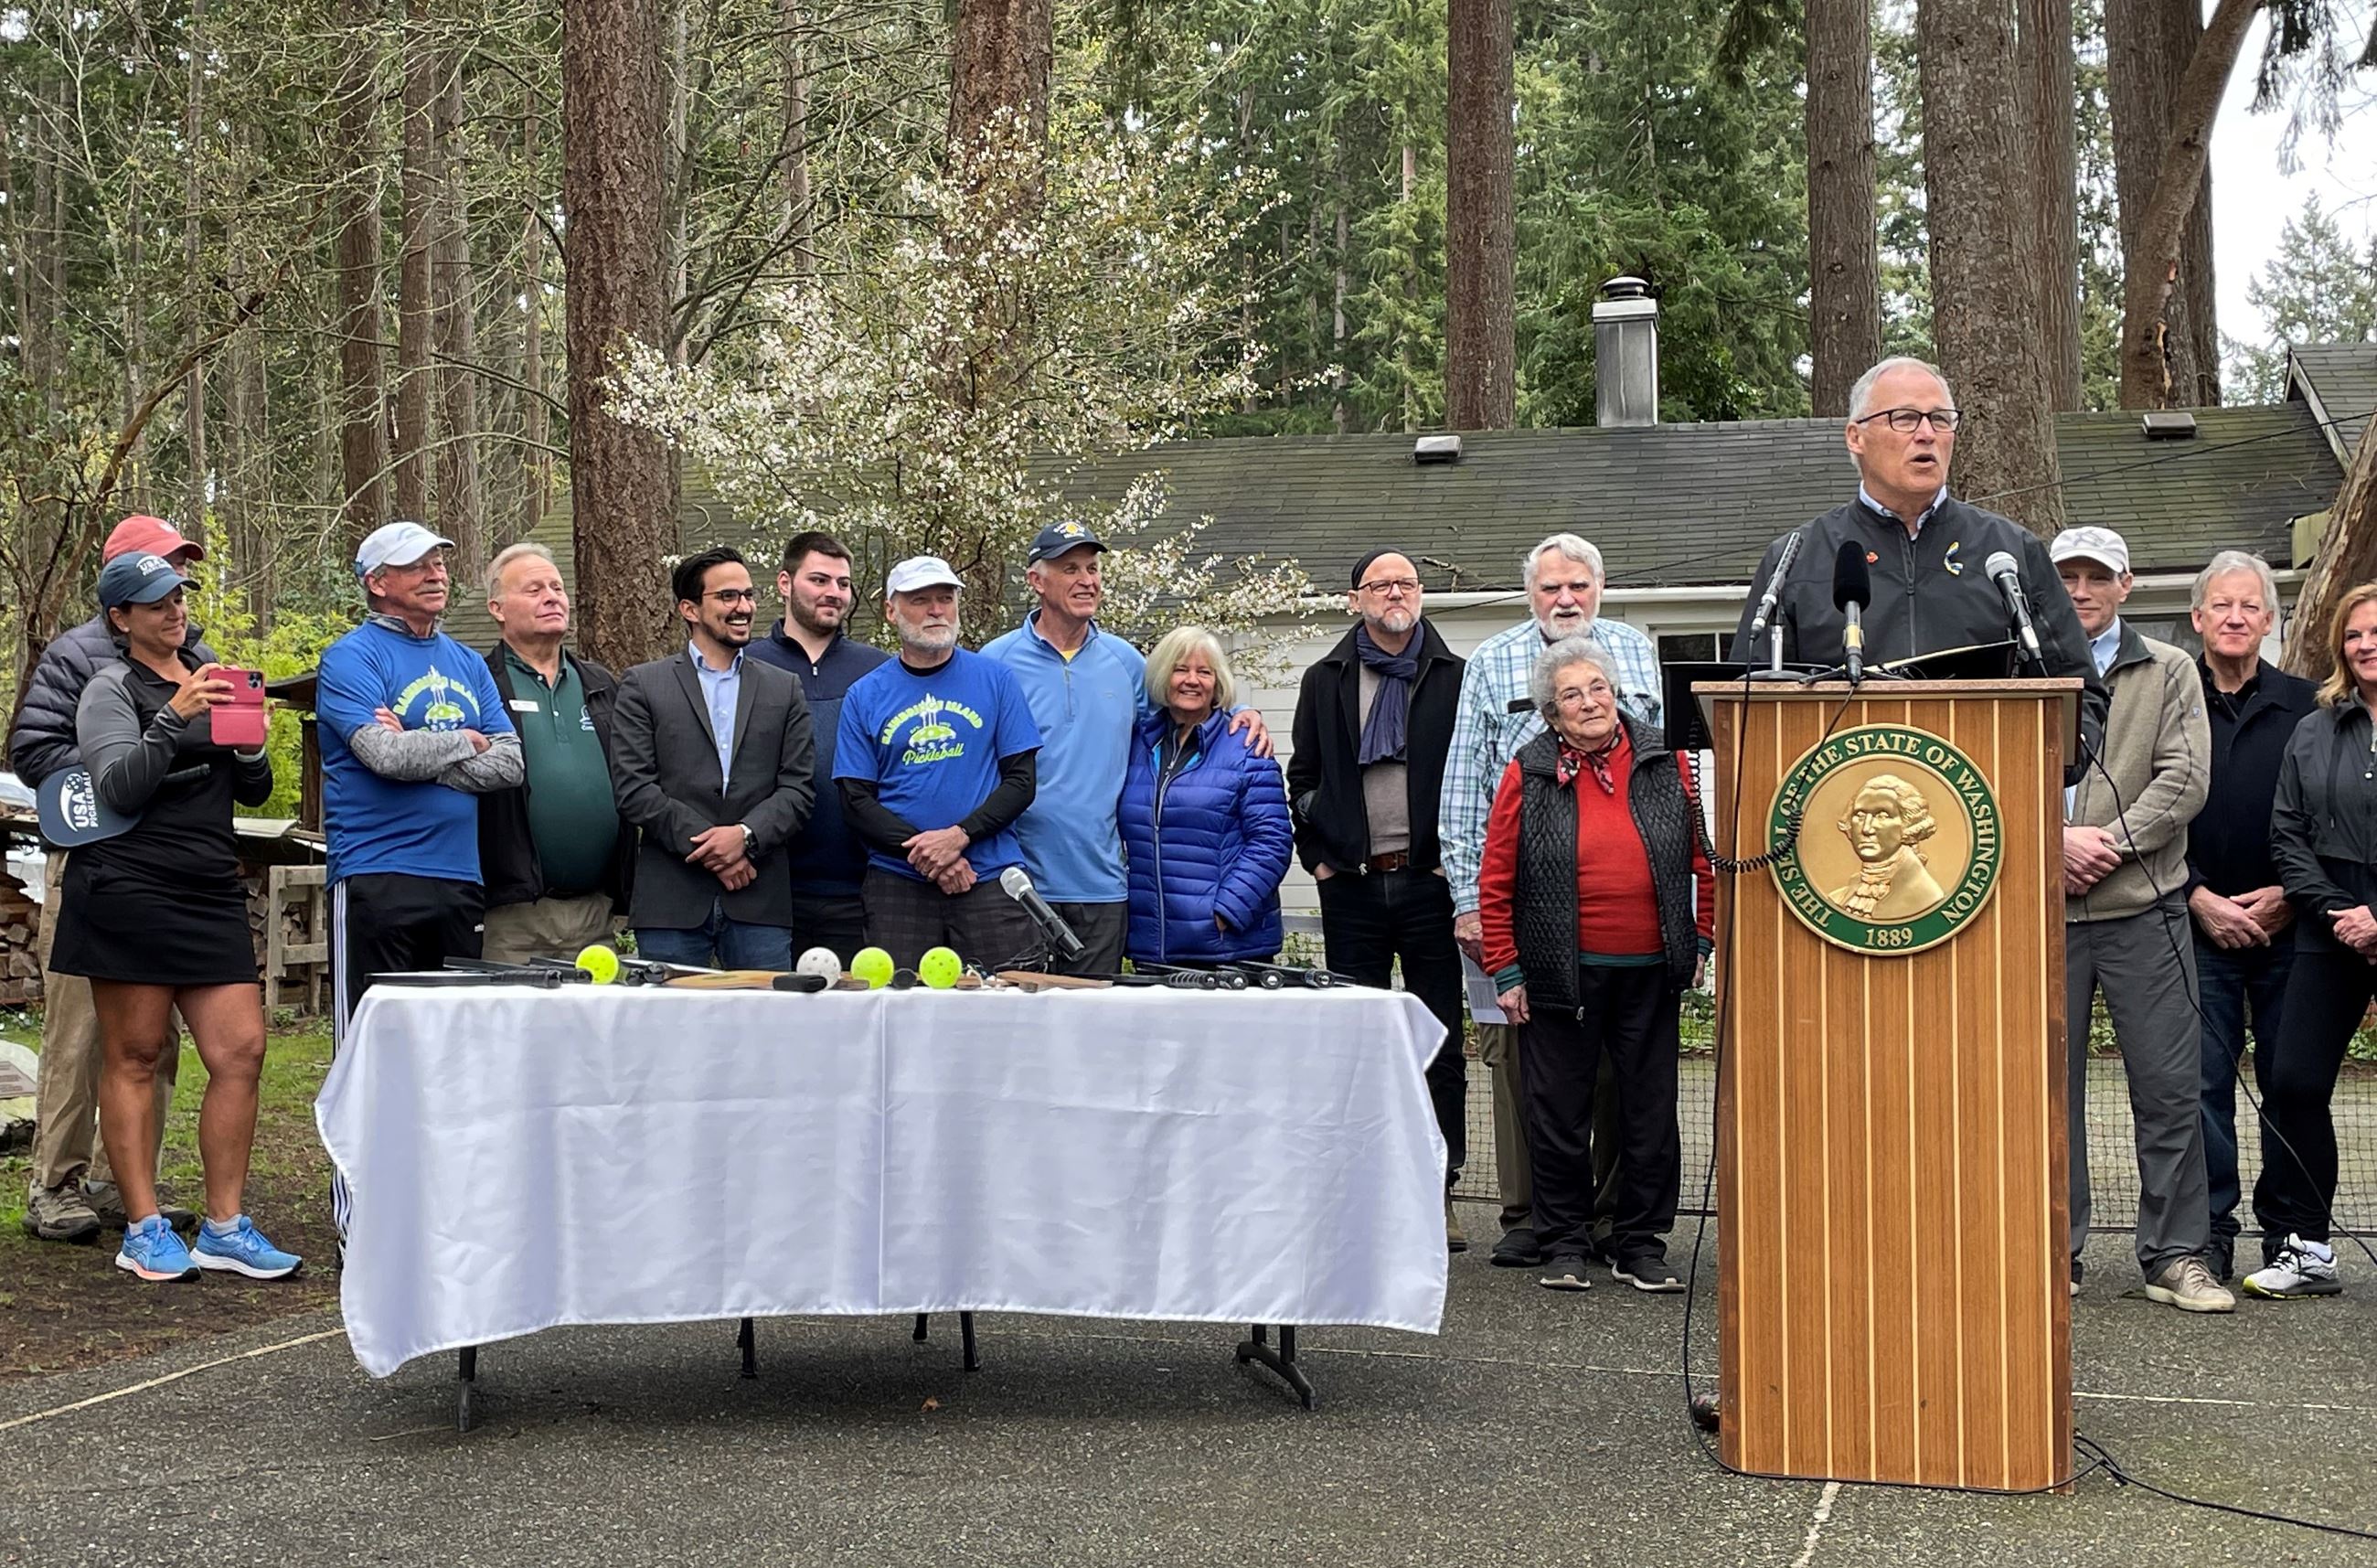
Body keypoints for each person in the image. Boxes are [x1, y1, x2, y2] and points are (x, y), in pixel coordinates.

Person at [48, 549, 299, 1283]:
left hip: (208, 884)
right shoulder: (109, 688)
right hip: (129, 885)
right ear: (121, 618)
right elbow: (120, 786)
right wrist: (176, 716)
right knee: (133, 1054)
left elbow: (252, 788)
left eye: (180, 597)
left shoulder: (209, 673)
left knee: (242, 1050)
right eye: (156, 602)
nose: (175, 610)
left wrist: (248, 737)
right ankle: (144, 1227)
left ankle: (224, 1225)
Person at [1439, 532, 1660, 1268]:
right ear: (1530, 593)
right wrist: (1470, 901)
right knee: (1525, 1062)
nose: (1565, 599)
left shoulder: (1636, 651)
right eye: (1549, 587)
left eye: (1578, 586)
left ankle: (1608, 1221)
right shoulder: (1489, 661)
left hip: (1622, 918)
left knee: (1618, 1073)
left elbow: (1667, 775)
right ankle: (1532, 1215)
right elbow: (1466, 785)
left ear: (1598, 588)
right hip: (1520, 902)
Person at [1729, 355, 2108, 773]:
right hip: (1840, 813)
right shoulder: (1799, 556)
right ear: (1856, 437)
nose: (1927, 434)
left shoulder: (2009, 552)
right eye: (1905, 418)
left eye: (1941, 419)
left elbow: (2080, 693)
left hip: (1989, 811)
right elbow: (1744, 704)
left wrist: (2040, 772)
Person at [1476, 636, 1711, 1294]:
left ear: (1617, 693)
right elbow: (1496, 877)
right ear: (1552, 715)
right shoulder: (1529, 769)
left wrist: (1703, 937)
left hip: (1652, 967)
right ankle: (1565, 1244)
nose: (1589, 703)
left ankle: (1641, 1243)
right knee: (1558, 1114)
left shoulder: (1669, 761)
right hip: (1560, 971)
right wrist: (1507, 967)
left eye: (1598, 688)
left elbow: (1703, 859)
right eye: (1571, 695)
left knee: (1650, 1112)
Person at [10, 516, 206, 1242]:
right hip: (96, 858)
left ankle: (129, 1185)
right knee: (80, 1032)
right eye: (164, 567)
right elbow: (32, 748)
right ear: (119, 586)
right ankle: (56, 1185)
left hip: (172, 864)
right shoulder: (76, 655)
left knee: (155, 1039)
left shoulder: (195, 653)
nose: (177, 590)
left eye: (182, 571)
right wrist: (119, 766)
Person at [2056, 526, 2229, 1312]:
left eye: (2098, 577)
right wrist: (2049, 843)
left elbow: (2186, 777)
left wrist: (2108, 845)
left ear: (2127, 586)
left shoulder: (2170, 669)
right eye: (2068, 577)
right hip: (2040, 914)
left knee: (2168, 1089)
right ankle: (2051, 1252)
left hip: (2145, 910)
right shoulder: (2022, 670)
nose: (2082, 591)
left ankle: (2174, 1256)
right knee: (2042, 1095)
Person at [983, 521, 1271, 976]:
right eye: (1070, 568)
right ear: (1036, 581)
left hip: (1105, 889)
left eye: (1093, 568)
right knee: (1019, 1034)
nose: (1088, 580)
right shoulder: (994, 663)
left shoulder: (1127, 664)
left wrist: (1242, 713)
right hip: (1017, 884)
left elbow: (1188, 709)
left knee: (1095, 1033)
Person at [1288, 549, 1470, 1249]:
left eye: (1407, 583)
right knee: (1357, 1045)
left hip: (1430, 882)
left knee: (1439, 1046)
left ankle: (1438, 1186)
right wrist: (1321, 857)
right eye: (1381, 584)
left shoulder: (1454, 676)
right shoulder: (1326, 678)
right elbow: (1301, 775)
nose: (1396, 592)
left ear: (1420, 594)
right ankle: (1361, 1187)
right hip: (1354, 889)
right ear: (1356, 598)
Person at [317, 519, 522, 1048]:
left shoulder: (467, 661)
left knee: (454, 1042)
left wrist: (417, 742)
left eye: (439, 563)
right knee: (373, 1043)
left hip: (460, 877)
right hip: (376, 872)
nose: (436, 575)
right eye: (417, 566)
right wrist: (467, 740)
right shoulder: (350, 657)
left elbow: (512, 765)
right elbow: (382, 755)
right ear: (378, 582)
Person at [2182, 550, 2315, 1284]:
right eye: (2220, 606)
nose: (2235, 618)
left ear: (2269, 619)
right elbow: (2154, 810)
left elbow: (2329, 813)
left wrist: (2293, 895)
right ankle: (2208, 1234)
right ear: (2197, 618)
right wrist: (2197, 893)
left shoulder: (2307, 704)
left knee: (2292, 1082)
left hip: (2293, 927)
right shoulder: (2173, 698)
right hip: (2196, 923)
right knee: (2201, 1085)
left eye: (2249, 606)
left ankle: (2293, 1236)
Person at [2254, 581, 2377, 1299]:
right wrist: (2342, 913)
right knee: (2294, 1080)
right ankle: (2308, 1247)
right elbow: (2287, 832)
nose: (2367, 643)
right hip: (2329, 925)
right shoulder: (2315, 726)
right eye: (2356, 633)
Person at [610, 547, 817, 971]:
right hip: (671, 903)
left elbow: (798, 789)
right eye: (727, 597)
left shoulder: (784, 688)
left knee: (766, 1033)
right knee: (671, 1035)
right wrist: (714, 848)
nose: (743, 607)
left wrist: (744, 836)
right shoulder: (643, 685)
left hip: (759, 901)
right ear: (689, 608)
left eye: (748, 595)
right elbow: (634, 790)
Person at [836, 556, 1045, 971]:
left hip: (989, 877)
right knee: (897, 1013)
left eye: (945, 598)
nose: (936, 610)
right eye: (920, 600)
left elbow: (1021, 782)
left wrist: (959, 837)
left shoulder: (996, 680)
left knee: (1007, 1011)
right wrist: (932, 857)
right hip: (899, 883)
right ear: (891, 610)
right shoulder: (864, 695)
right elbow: (855, 800)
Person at [475, 543, 633, 965]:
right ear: (497, 608)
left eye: (557, 588)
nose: (552, 597)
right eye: (534, 589)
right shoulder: (479, 683)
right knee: (510, 1031)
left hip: (596, 914)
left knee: (598, 1031)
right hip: (512, 917)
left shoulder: (600, 684)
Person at [746, 530, 890, 962]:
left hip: (860, 887)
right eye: (820, 580)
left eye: (843, 584)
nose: (834, 593)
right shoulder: (747, 666)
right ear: (785, 583)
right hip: (766, 887)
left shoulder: (878, 670)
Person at [1118, 627, 1293, 966]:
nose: (1192, 680)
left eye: (1204, 671)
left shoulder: (1246, 747)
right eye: (1180, 669)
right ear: (1162, 677)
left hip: (1228, 946)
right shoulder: (1136, 745)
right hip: (1154, 946)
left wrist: (1228, 911)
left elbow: (1272, 841)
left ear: (1218, 682)